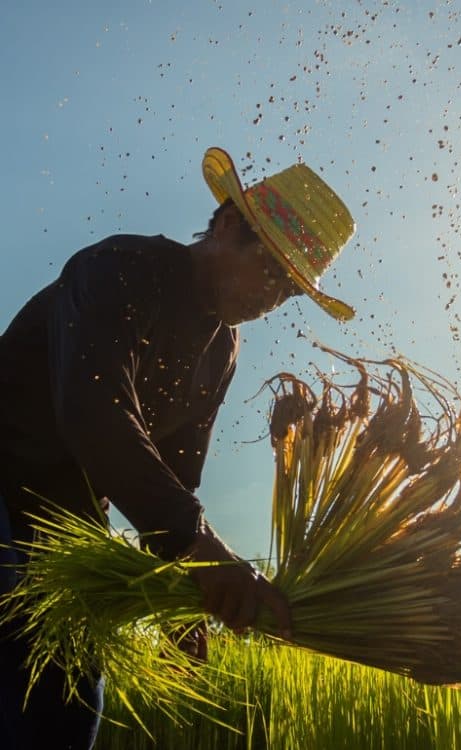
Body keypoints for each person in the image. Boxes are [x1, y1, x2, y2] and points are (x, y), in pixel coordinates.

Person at [0, 146, 355, 749]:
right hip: (7, 482)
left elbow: (176, 478)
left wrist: (187, 597)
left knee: (69, 706)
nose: (272, 299)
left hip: (62, 524)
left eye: (290, 291)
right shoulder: (120, 269)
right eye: (268, 270)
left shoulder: (223, 351)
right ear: (224, 225)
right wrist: (199, 550)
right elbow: (96, 414)